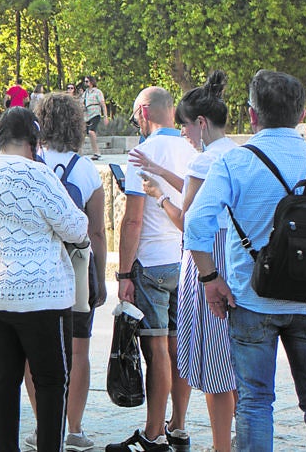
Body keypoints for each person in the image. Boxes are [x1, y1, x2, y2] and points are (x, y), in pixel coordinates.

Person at [185, 69, 306, 452]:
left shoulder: (235, 163)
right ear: (301, 116)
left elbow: (195, 223)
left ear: (252, 115)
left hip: (251, 300)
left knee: (254, 402)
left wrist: (211, 279)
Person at [0, 106, 88, 452]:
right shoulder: (39, 175)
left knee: (2, 379)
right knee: (50, 380)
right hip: (38, 295)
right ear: (34, 141)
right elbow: (76, 227)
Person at [130, 71, 237, 452]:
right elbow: (199, 183)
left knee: (214, 368)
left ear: (201, 123)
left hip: (206, 263)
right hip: (235, 261)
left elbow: (188, 221)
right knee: (235, 357)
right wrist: (162, 172)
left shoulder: (204, 160)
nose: (185, 136)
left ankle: (221, 443)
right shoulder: (236, 153)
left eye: (187, 128)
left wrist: (158, 194)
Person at [108, 86, 198, 452]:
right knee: (179, 346)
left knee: (156, 347)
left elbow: (133, 221)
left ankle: (153, 433)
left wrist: (125, 273)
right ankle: (177, 425)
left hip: (151, 261)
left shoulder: (142, 154)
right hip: (185, 257)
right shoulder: (193, 148)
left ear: (144, 112)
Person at [33, 92, 107, 452]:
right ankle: (74, 428)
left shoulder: (33, 163)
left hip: (41, 269)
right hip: (78, 270)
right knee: (79, 352)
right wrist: (103, 277)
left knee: (37, 353)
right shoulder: (86, 169)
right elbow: (96, 231)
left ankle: (42, 426)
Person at [81, 75, 107, 160]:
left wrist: (105, 116)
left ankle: (97, 152)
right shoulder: (85, 93)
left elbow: (103, 104)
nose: (85, 83)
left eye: (87, 81)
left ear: (91, 82)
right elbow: (82, 104)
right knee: (83, 133)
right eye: (85, 81)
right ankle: (80, 153)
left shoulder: (97, 92)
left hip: (95, 113)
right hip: (87, 115)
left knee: (91, 131)